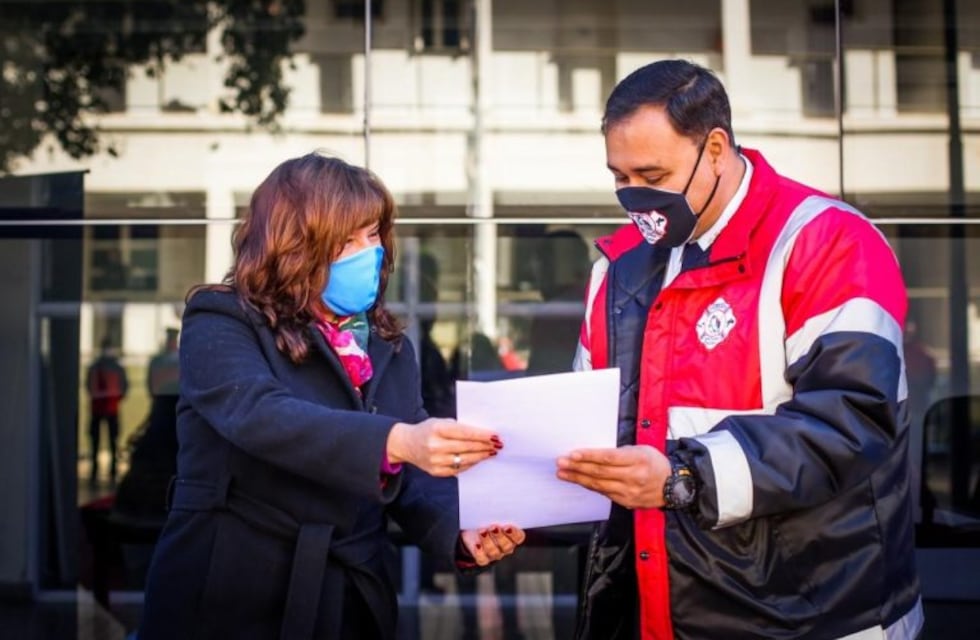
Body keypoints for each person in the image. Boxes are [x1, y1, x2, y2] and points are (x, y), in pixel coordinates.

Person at [556, 59, 922, 639]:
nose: (635, 197)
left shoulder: (828, 242)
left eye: (652, 174)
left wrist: (683, 476)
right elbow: (588, 427)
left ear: (716, 149)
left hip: (814, 616)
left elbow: (852, 421)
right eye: (620, 177)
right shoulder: (619, 268)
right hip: (655, 613)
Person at [139, 152, 526, 640]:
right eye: (346, 241)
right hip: (230, 589)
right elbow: (258, 414)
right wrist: (397, 440)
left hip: (349, 597)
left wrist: (461, 531)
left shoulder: (386, 344)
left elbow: (410, 475)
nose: (369, 253)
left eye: (373, 234)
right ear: (294, 245)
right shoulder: (220, 318)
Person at [86, 336, 129, 485]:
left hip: (109, 407)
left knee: (110, 440)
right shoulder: (103, 367)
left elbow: (123, 386)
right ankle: (99, 469)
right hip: (102, 408)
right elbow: (90, 386)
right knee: (98, 440)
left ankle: (110, 469)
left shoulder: (103, 367)